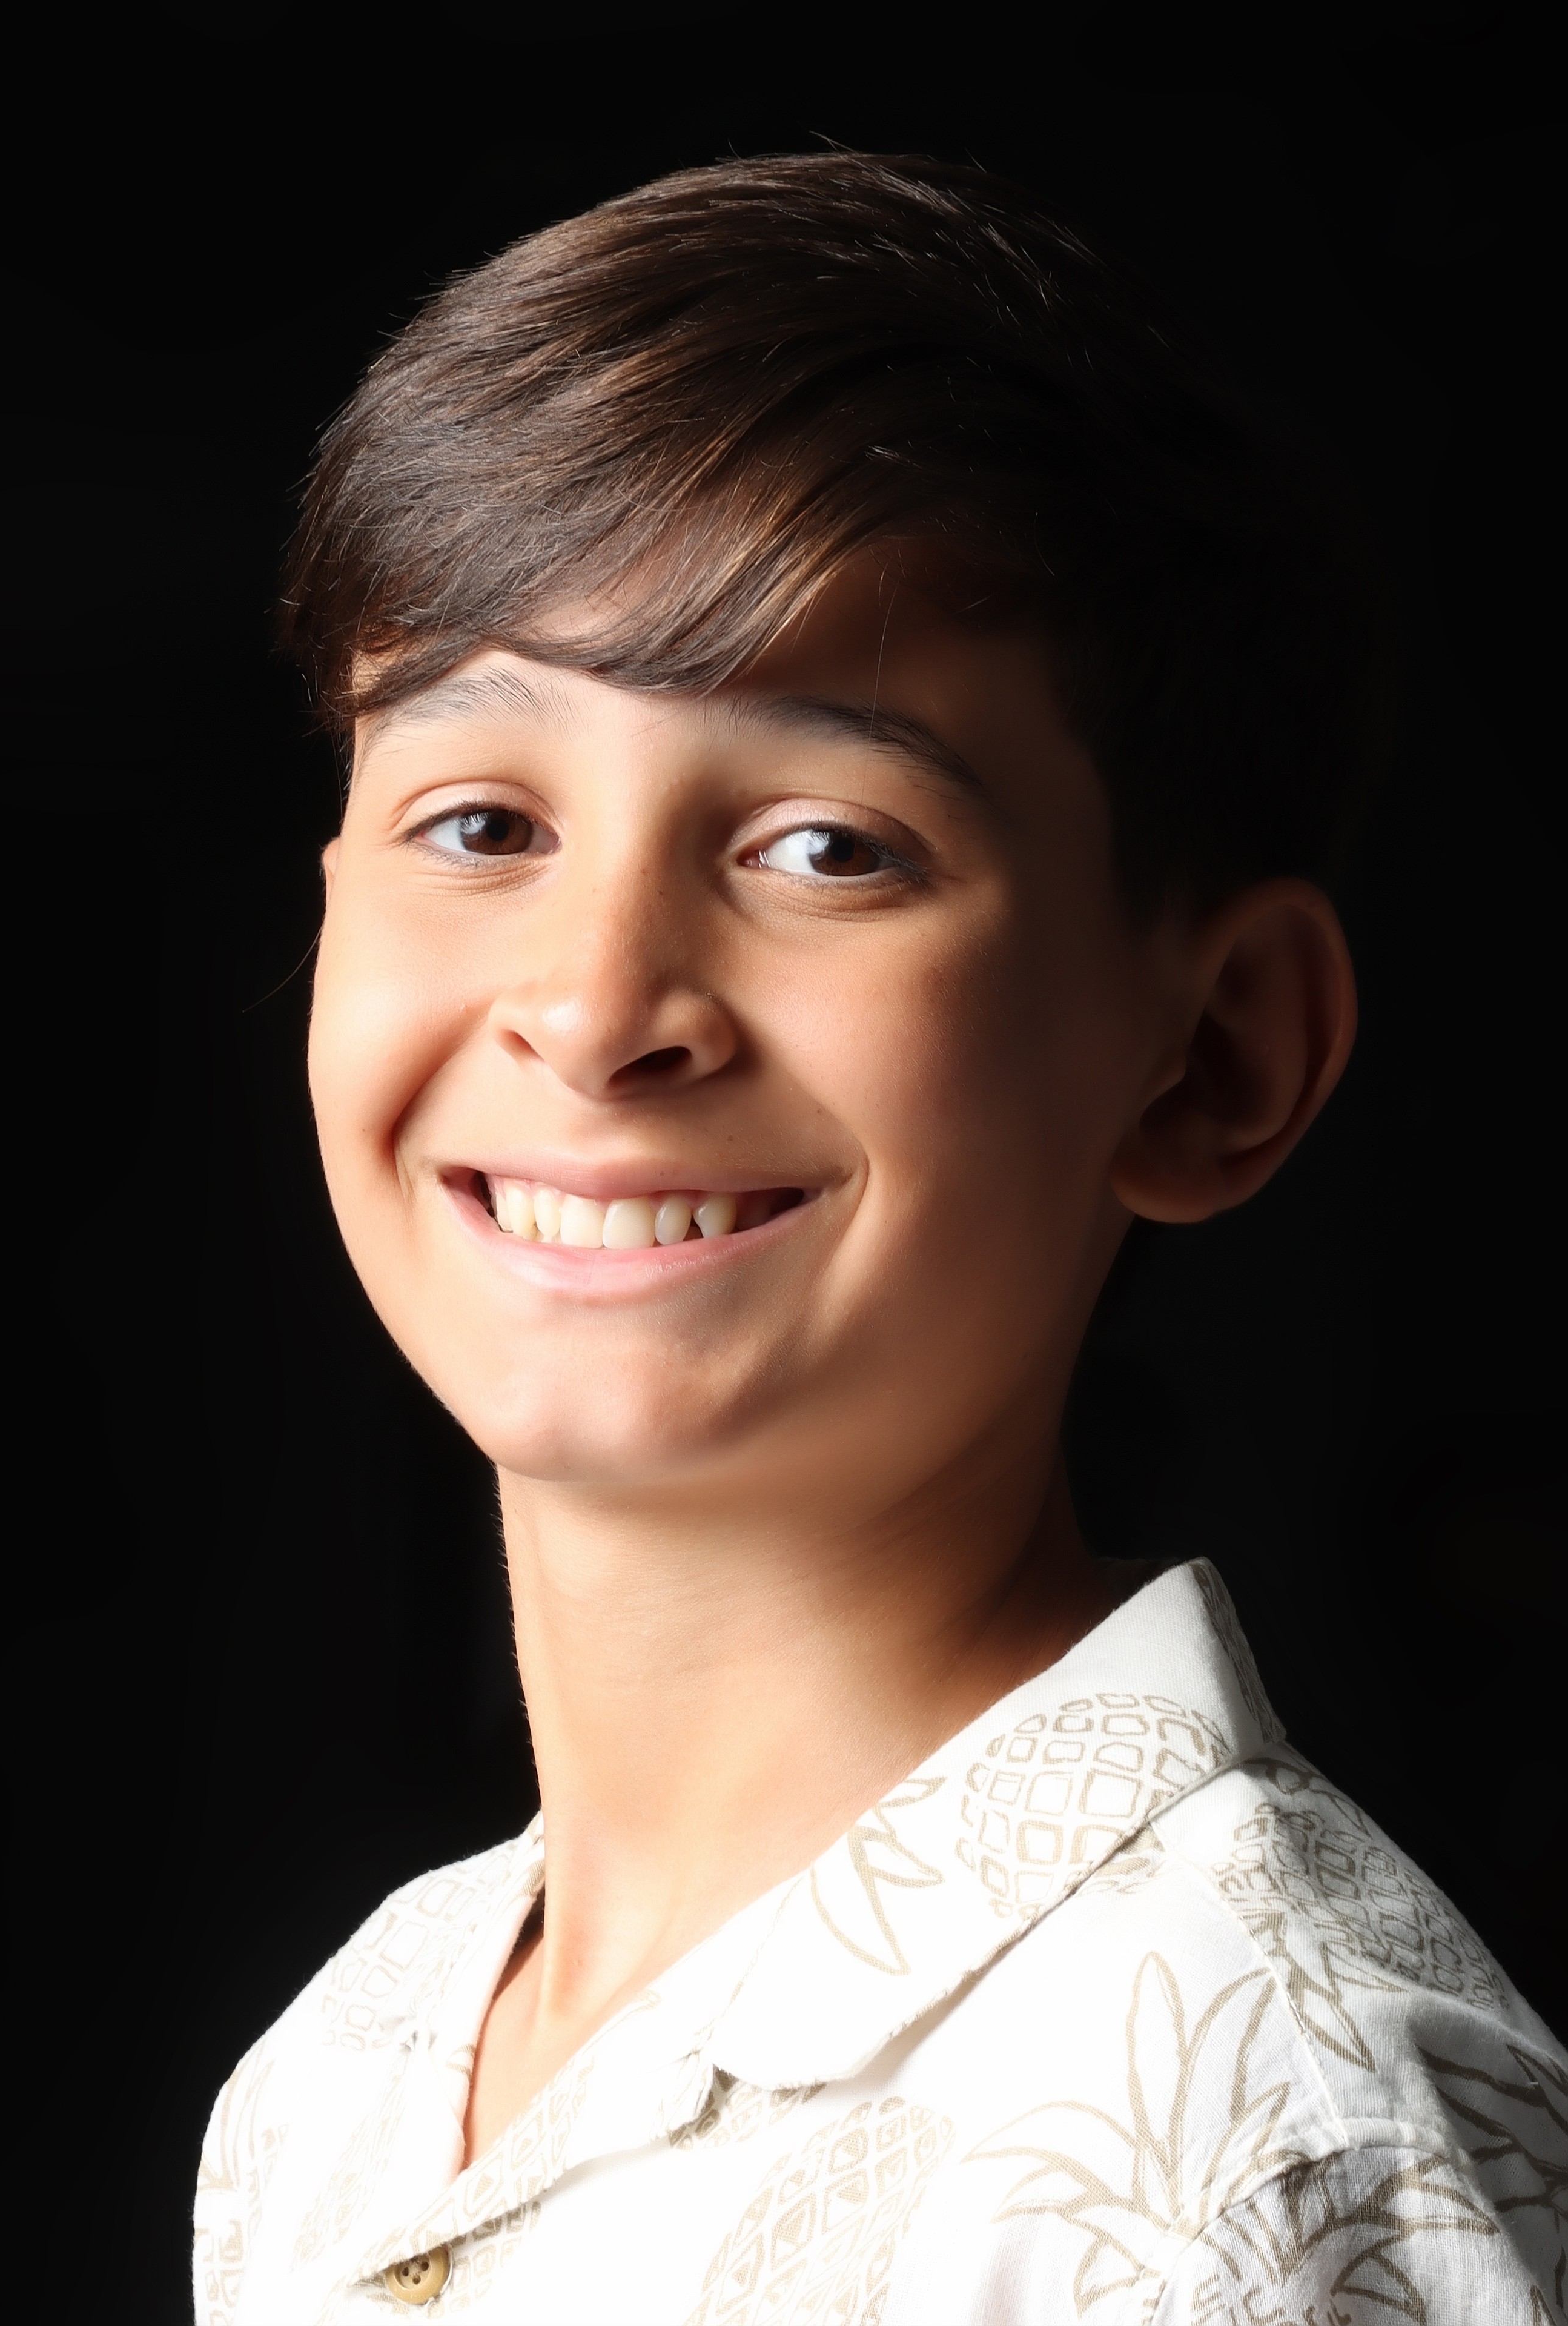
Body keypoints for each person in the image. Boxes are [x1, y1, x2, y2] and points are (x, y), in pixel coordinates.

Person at [194, 154, 1564, 2323]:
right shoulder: (349, 2074)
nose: (595, 1006)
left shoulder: (1254, 2144)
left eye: (829, 846)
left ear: (1213, 1055)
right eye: (482, 822)